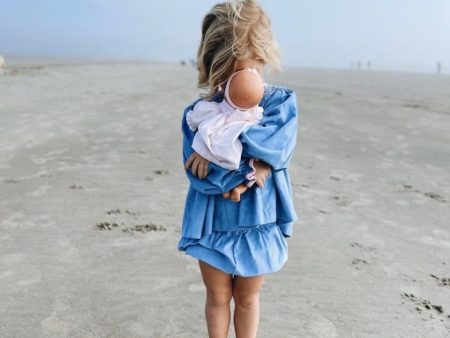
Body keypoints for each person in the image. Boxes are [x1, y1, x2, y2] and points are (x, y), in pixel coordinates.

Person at [177, 1, 299, 337]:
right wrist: (247, 170)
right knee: (217, 295)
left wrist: (249, 165)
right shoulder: (199, 115)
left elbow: (277, 149)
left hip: (257, 217)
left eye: (251, 70)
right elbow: (199, 171)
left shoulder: (279, 104)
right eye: (233, 74)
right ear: (214, 65)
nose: (244, 83)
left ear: (264, 59)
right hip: (214, 218)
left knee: (247, 296)